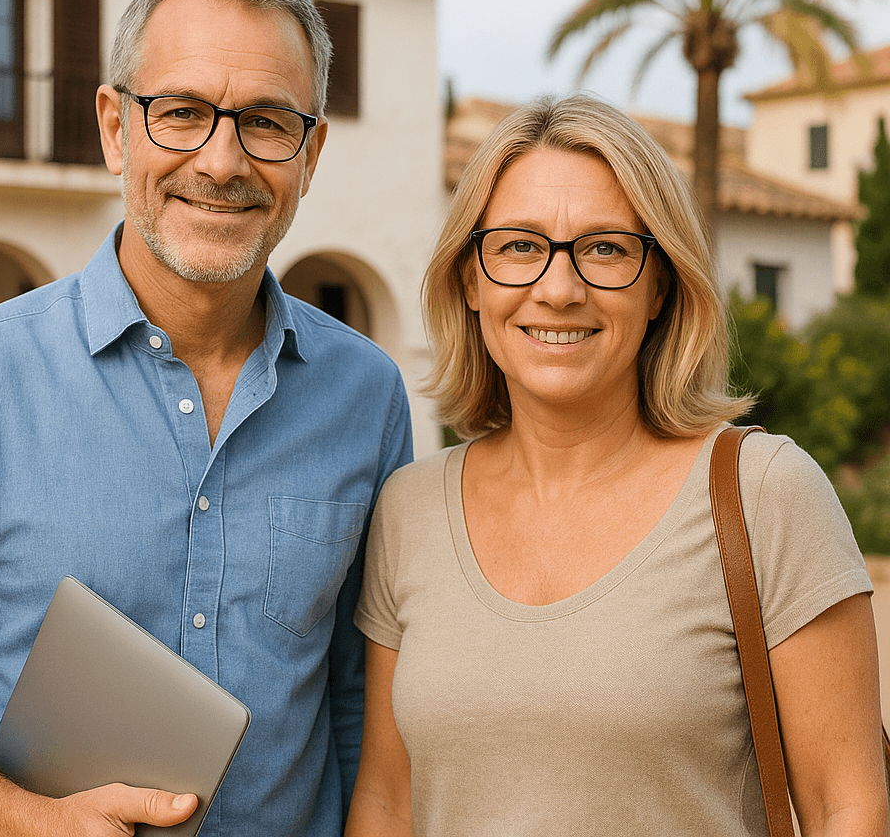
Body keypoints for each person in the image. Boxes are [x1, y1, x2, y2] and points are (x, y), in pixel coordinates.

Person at [0, 0, 412, 837]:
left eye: (268, 123)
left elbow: (359, 697)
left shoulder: (367, 396)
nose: (223, 160)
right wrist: (12, 819)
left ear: (310, 156)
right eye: (184, 113)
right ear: (117, 128)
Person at [345, 94, 887, 836]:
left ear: (660, 283)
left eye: (604, 248)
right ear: (470, 281)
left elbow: (848, 808)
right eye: (518, 246)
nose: (559, 288)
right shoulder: (409, 508)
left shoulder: (765, 492)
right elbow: (387, 800)